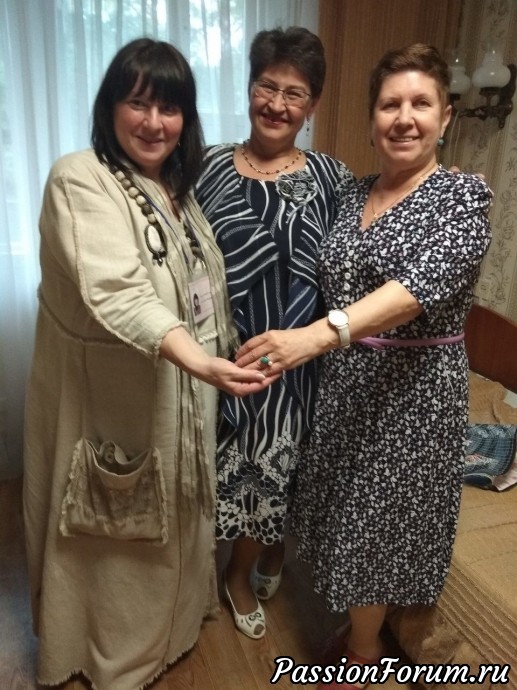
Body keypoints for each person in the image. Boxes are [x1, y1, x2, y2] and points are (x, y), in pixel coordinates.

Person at [22, 38, 277, 690]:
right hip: (112, 406)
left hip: (179, 402)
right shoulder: (80, 178)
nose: (154, 122)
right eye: (138, 104)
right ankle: (105, 656)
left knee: (170, 525)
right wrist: (203, 365)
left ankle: (175, 628)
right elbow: (118, 293)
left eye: (170, 108)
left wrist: (227, 355)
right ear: (110, 107)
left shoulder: (174, 191)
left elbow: (202, 292)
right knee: (110, 537)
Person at [235, 43, 492, 687]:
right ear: (372, 117)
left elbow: (413, 291)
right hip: (345, 384)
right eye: (389, 104)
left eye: (420, 104)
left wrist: (314, 338)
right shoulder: (351, 194)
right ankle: (359, 631)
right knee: (338, 515)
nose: (404, 118)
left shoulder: (462, 197)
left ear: (445, 116)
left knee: (376, 530)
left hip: (414, 394)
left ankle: (363, 657)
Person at [196, 26, 355, 639]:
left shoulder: (332, 178)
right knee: (234, 465)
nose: (277, 104)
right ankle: (235, 571)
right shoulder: (207, 166)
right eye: (267, 86)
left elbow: (355, 253)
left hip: (302, 356)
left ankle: (265, 554)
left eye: (295, 93)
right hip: (225, 352)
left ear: (312, 105)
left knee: (286, 466)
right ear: (249, 88)